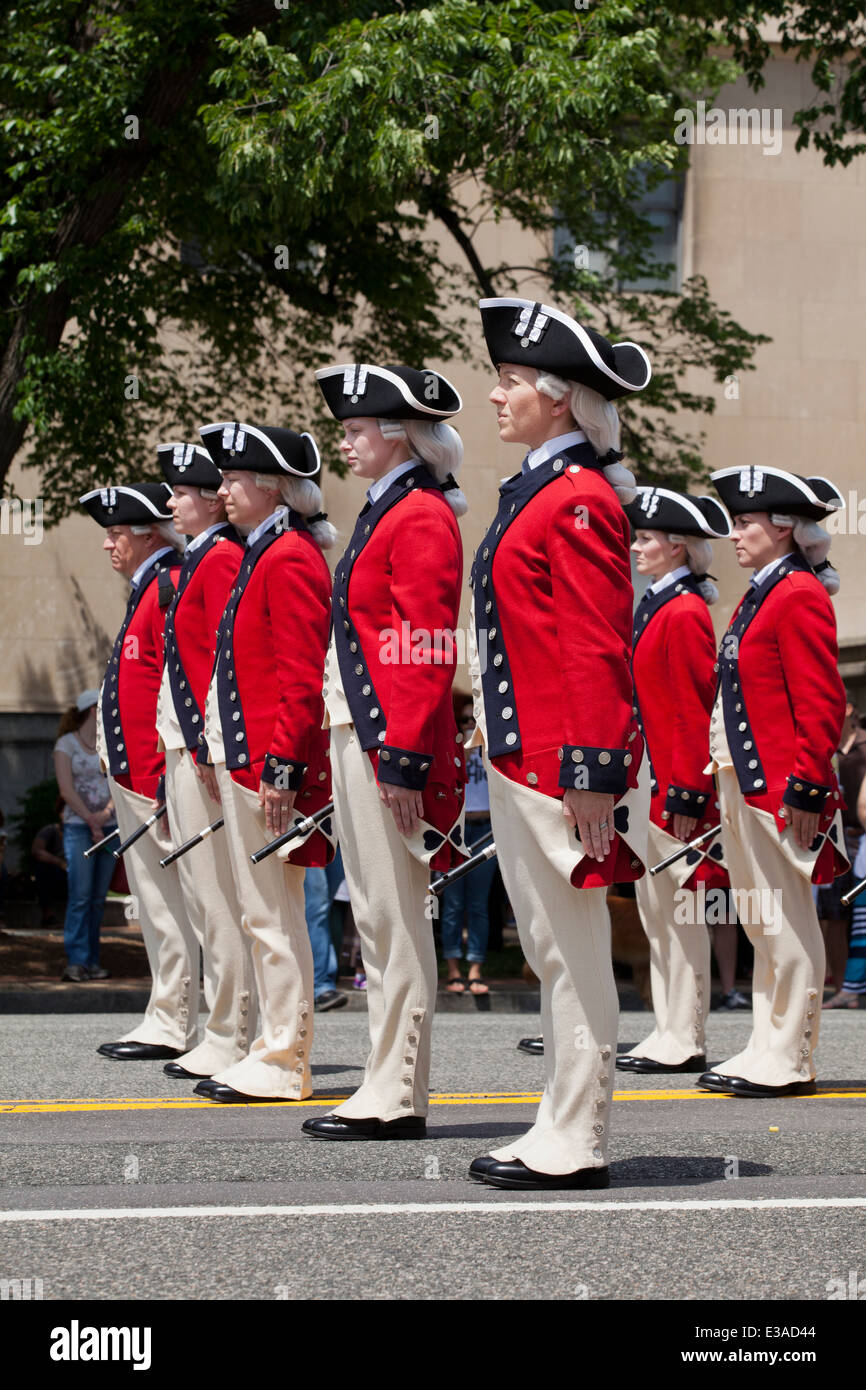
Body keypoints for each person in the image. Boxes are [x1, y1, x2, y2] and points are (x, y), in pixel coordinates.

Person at [466, 296, 651, 1190]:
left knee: (574, 955)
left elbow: (595, 645)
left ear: (560, 398)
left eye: (507, 381)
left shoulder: (575, 499)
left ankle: (577, 1136)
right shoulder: (545, 488)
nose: (494, 395)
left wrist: (593, 773)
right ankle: (556, 1119)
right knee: (551, 949)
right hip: (523, 754)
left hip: (557, 763)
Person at [302, 362, 467, 1142]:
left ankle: (399, 1090)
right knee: (371, 912)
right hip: (355, 732)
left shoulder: (419, 516)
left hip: (381, 741)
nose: (347, 442)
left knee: (393, 916)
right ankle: (384, 1079)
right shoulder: (388, 511)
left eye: (358, 429)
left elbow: (425, 647)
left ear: (399, 433)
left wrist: (402, 759)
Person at [193, 419, 335, 1104]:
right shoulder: (263, 552)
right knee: (260, 915)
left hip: (264, 764)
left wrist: (282, 768)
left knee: (273, 916)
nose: (221, 489)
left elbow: (299, 677)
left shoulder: (288, 556)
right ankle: (272, 1047)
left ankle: (285, 1057)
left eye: (232, 478)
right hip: (244, 756)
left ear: (272, 484)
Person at [698, 466, 848, 1097]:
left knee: (785, 918)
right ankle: (767, 1041)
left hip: (780, 784)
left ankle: (791, 1055)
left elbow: (822, 701)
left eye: (746, 523)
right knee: (763, 919)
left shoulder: (797, 593)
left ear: (783, 528)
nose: (734, 535)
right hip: (745, 778)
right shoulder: (764, 590)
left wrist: (810, 787)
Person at [616, 486, 731, 1074]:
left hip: (671, 785)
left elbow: (692, 709)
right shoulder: (661, 604)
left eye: (646, 538)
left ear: (679, 548)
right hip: (652, 781)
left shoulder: (683, 612)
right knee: (658, 912)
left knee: (680, 911)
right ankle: (667, 1026)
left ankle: (684, 1035)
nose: (637, 547)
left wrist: (688, 792)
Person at [79, 482, 196, 1059]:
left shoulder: (169, 583)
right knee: (153, 902)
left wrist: (160, 780)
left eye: (116, 532)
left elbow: (174, 691)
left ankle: (175, 1022)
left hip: (152, 772)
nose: (108, 544)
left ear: (150, 533)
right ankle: (165, 1013)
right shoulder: (149, 586)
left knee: (169, 901)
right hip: (136, 770)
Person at [154, 440, 258, 1080]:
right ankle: (224, 1027)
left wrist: (200, 741)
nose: (171, 502)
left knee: (219, 895)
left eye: (181, 492)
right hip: (189, 738)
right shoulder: (201, 559)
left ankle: (231, 1030)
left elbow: (219, 663)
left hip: (205, 739)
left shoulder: (220, 558)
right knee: (203, 891)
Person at [440, 693, 495, 995]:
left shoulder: (492, 750)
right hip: (455, 830)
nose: (470, 725)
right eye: (464, 720)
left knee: (478, 905)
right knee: (452, 905)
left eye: (475, 720)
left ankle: (475, 968)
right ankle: (452, 970)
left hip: (486, 830)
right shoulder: (450, 750)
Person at [819, 691, 866, 1005]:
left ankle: (854, 983)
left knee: (861, 910)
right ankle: (843, 988)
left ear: (848, 708)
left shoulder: (865, 743)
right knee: (834, 911)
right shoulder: (824, 745)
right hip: (834, 834)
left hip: (862, 835)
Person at [30, 812, 67, 928]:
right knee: (42, 870)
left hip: (74, 877)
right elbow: (36, 851)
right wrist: (60, 863)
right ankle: (48, 917)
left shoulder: (85, 833)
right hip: (56, 875)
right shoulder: (50, 831)